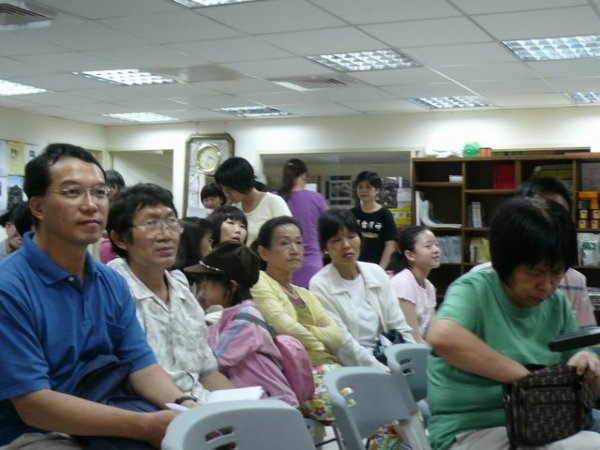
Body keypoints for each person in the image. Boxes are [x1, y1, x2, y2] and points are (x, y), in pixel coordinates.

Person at [0, 144, 187, 448]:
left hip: (108, 412)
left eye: (100, 193)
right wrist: (144, 426)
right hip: (32, 433)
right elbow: (34, 405)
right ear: (38, 207)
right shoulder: (9, 287)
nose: (91, 205)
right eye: (72, 192)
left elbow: (141, 365)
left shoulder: (110, 282)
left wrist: (186, 408)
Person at [427, 196, 600, 450]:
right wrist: (527, 380)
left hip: (542, 427)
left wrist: (588, 363)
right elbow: (442, 336)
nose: (547, 285)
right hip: (470, 430)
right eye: (534, 272)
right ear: (504, 263)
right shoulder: (475, 290)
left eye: (556, 272)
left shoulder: (557, 305)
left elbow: (592, 392)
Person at [106, 183, 234, 404]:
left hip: (200, 406)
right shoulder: (112, 292)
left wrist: (247, 406)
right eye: (151, 223)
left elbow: (208, 373)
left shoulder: (183, 294)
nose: (165, 235)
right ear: (120, 239)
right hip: (147, 411)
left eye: (171, 221)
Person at [472, 176, 597, 327]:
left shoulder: (563, 297)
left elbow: (582, 337)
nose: (546, 286)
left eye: (559, 216)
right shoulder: (478, 282)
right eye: (534, 271)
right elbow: (448, 332)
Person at [185, 240, 298, 407]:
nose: (203, 287)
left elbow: (212, 361)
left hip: (274, 406)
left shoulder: (244, 321)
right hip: (256, 403)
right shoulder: (233, 317)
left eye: (208, 280)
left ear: (231, 286)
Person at [310, 208, 415, 370]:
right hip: (352, 367)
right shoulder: (320, 284)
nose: (346, 245)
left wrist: (413, 361)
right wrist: (384, 370)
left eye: (351, 236)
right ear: (325, 246)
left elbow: (398, 325)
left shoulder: (376, 273)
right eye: (336, 240)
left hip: (388, 357)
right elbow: (343, 344)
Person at [214, 157, 291, 245]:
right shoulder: (235, 208)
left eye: (229, 189)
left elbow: (289, 236)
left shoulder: (273, 202)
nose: (226, 194)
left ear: (242, 183)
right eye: (223, 189)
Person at [279, 158, 328, 288]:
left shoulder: (278, 199)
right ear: (304, 176)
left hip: (283, 262)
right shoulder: (316, 198)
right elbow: (329, 228)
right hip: (312, 262)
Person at [389, 226, 440, 343]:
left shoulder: (429, 286)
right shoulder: (403, 283)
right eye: (428, 246)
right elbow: (413, 338)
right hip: (402, 349)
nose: (436, 250)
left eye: (436, 244)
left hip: (420, 347)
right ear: (410, 255)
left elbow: (431, 333)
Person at [350, 171, 397, 269]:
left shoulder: (385, 215)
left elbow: (390, 244)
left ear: (377, 190)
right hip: (354, 266)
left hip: (376, 266)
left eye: (368, 187)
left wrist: (380, 269)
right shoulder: (351, 214)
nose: (363, 190)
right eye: (360, 187)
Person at [172, 216, 213, 286]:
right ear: (195, 243)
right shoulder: (178, 280)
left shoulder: (191, 280)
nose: (210, 248)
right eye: (209, 240)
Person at [99, 169, 126, 264]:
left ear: (114, 187)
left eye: (105, 188)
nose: (104, 192)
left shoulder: (126, 206)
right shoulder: (104, 204)